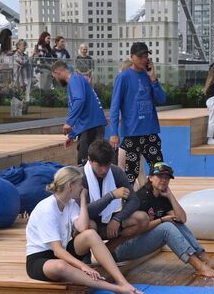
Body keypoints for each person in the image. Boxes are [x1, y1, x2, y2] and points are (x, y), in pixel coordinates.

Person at [23, 165, 143, 294]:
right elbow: (57, 250)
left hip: (60, 253)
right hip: (41, 260)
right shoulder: (47, 209)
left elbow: (83, 227)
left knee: (90, 234)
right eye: (80, 184)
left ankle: (122, 281)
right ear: (70, 185)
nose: (82, 188)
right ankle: (115, 288)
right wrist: (83, 266)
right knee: (60, 266)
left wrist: (83, 199)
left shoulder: (70, 203)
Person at [111, 162, 214, 277]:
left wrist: (170, 196)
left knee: (174, 221)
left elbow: (182, 219)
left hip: (137, 242)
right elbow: (136, 230)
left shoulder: (162, 196)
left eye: (167, 178)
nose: (163, 180)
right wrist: (162, 220)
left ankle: (204, 258)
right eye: (160, 176)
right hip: (122, 247)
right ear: (151, 178)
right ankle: (199, 266)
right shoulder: (141, 197)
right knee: (167, 227)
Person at [109, 41, 167, 185]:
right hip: (132, 132)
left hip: (150, 131)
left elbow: (162, 99)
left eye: (146, 56)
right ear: (132, 57)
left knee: (159, 169)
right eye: (140, 56)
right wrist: (114, 133)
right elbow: (115, 106)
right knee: (131, 173)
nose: (143, 59)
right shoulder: (123, 77)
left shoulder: (149, 76)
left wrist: (153, 78)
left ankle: (158, 201)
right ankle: (127, 203)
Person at [83, 138, 143, 243]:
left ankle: (110, 251)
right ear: (90, 161)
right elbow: (86, 211)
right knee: (87, 224)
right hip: (91, 222)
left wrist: (117, 219)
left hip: (110, 219)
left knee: (142, 218)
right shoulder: (81, 176)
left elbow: (134, 200)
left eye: (107, 165)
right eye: (99, 165)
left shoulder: (116, 172)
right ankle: (85, 257)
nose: (104, 170)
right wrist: (111, 196)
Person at [54, 60, 108, 164]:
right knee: (89, 164)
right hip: (90, 127)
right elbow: (83, 113)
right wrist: (72, 135)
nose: (56, 79)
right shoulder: (77, 80)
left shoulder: (74, 80)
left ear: (57, 73)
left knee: (86, 165)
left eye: (54, 77)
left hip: (91, 128)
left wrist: (69, 122)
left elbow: (80, 100)